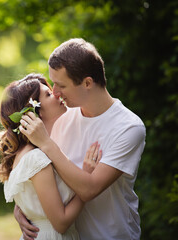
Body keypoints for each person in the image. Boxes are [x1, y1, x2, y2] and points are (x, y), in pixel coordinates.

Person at [16, 38, 146, 240]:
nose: (55, 93)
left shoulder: (128, 128)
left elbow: (89, 188)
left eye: (61, 86)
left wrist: (47, 144)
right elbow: (41, 172)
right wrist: (23, 206)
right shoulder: (61, 117)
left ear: (87, 83)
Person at [0, 73, 102, 239]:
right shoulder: (36, 158)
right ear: (34, 112)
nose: (56, 94)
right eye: (48, 94)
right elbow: (61, 223)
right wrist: (86, 178)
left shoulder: (35, 150)